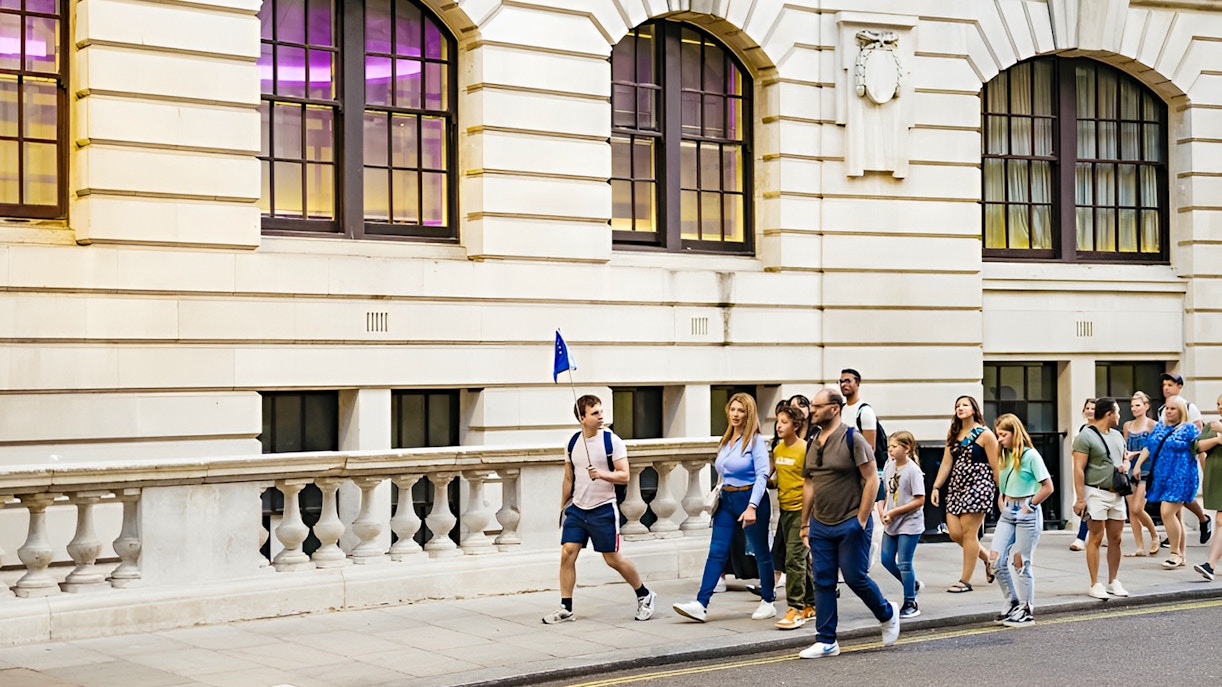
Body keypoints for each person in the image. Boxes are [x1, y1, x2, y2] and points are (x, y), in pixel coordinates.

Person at [797, 389, 898, 659]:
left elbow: (872, 479)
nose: (812, 411)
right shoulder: (812, 441)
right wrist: (805, 522)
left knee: (854, 577)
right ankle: (827, 640)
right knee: (823, 580)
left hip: (850, 521)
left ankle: (887, 613)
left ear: (834, 409)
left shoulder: (853, 439)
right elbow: (809, 482)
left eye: (817, 407)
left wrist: (861, 520)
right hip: (821, 523)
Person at [543, 394, 655, 624]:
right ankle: (566, 607)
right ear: (582, 417)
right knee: (567, 553)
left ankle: (645, 594)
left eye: (601, 411)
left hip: (603, 508)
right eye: (595, 413)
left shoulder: (612, 441)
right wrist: (562, 506)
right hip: (577, 508)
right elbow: (568, 477)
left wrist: (601, 474)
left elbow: (624, 475)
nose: (601, 416)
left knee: (612, 559)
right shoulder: (572, 442)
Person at [674, 393, 776, 622]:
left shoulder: (756, 441)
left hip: (750, 498)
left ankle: (768, 600)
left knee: (760, 551)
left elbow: (762, 476)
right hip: (727, 499)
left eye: (741, 411)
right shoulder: (727, 440)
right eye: (733, 410)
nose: (736, 414)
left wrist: (752, 506)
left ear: (749, 414)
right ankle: (701, 604)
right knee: (716, 551)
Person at [987, 414, 1054, 628]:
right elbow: (1004, 479)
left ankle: (1026, 610)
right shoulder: (1004, 454)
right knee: (995, 560)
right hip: (1008, 512)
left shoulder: (1031, 455)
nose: (999, 439)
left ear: (1015, 434)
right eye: (998, 435)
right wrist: (1002, 495)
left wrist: (1029, 506)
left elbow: (1047, 486)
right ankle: (1012, 601)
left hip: (1027, 512)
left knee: (1021, 562)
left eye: (1003, 435)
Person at [930, 395, 998, 593]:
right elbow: (946, 463)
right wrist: (936, 487)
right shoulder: (954, 434)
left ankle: (965, 580)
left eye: (965, 405)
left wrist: (1000, 492)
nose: (960, 408)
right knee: (955, 533)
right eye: (957, 406)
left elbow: (995, 466)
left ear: (974, 410)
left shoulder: (985, 434)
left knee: (969, 533)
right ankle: (989, 560)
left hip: (979, 485)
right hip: (956, 486)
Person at [1071, 397, 1132, 600]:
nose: (1119, 416)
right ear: (1109, 414)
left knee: (1116, 538)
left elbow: (1124, 457)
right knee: (1095, 538)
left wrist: (1126, 466)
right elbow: (1078, 469)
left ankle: (1114, 581)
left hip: (1116, 493)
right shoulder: (1085, 437)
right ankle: (1094, 583)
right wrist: (1080, 499)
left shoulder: (1117, 436)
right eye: (1117, 412)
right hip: (1095, 492)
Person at [1139, 395, 1201, 569]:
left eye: (1173, 408)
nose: (1169, 411)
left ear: (1181, 411)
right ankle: (1182, 555)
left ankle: (1174, 553)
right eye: (1167, 408)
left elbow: (1200, 449)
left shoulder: (1190, 429)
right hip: (1163, 478)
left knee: (1166, 512)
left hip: (1182, 477)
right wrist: (1137, 465)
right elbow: (1149, 446)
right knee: (1176, 516)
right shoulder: (1160, 427)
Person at [771, 404, 816, 630]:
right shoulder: (778, 450)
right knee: (801, 559)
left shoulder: (805, 449)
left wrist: (808, 518)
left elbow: (812, 481)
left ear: (796, 425)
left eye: (785, 422)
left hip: (802, 510)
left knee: (793, 559)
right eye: (778, 421)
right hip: (784, 509)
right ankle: (812, 604)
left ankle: (795, 609)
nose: (779, 426)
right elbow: (777, 478)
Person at [1158, 373, 1213, 545]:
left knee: (1177, 499)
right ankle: (1178, 539)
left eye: (1170, 384)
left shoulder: (1190, 408)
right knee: (1176, 501)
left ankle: (1202, 519)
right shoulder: (1162, 410)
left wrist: (1204, 470)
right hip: (1168, 464)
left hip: (1185, 463)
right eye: (1164, 385)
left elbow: (1199, 441)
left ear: (1179, 387)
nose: (1166, 388)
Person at [839, 369, 885, 569]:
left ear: (857, 384)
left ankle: (867, 551)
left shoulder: (864, 411)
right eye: (840, 381)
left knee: (864, 516)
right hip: (843, 473)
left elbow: (870, 448)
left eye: (847, 381)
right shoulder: (840, 409)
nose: (843, 385)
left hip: (860, 473)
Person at [877, 431, 925, 619]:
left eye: (894, 446)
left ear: (907, 448)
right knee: (886, 560)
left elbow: (919, 500)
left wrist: (894, 512)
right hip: (891, 521)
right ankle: (911, 584)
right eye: (889, 446)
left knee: (904, 563)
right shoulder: (889, 466)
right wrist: (882, 512)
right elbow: (885, 492)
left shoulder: (912, 470)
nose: (890, 450)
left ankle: (910, 601)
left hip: (909, 522)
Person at [1123, 392, 1161, 557]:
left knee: (1138, 508)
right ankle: (1139, 547)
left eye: (1137, 405)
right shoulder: (1127, 425)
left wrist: (1136, 454)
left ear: (1146, 406)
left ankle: (1154, 535)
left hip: (1146, 469)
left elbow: (1155, 447)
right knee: (1132, 510)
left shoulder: (1153, 425)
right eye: (1132, 405)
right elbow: (1125, 446)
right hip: (1130, 469)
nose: (1134, 408)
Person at [1193, 393, 1222, 581]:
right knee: (1220, 521)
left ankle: (1210, 565)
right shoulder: (1212, 425)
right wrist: (1217, 440)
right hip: (1217, 480)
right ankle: (1210, 565)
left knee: (1220, 521)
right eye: (1219, 404)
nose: (1220, 407)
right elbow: (1197, 446)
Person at [1070, 398, 1097, 552]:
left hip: (1098, 473)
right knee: (1085, 504)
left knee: (1093, 505)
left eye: (1093, 408)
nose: (1089, 411)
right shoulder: (1080, 429)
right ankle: (1082, 537)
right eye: (1087, 408)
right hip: (1084, 471)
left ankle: (1082, 537)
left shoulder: (1103, 430)